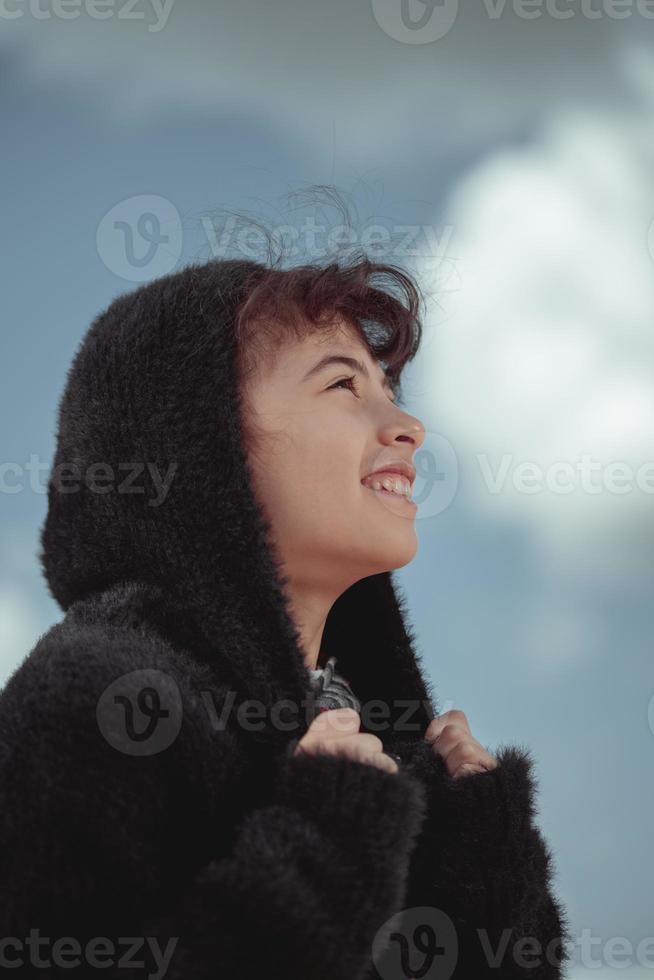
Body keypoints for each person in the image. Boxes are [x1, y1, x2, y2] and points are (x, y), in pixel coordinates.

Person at [0, 254, 572, 979]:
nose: (408, 426)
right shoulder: (97, 696)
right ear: (198, 440)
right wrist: (324, 845)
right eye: (343, 383)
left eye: (389, 387)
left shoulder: (372, 742)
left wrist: (480, 859)